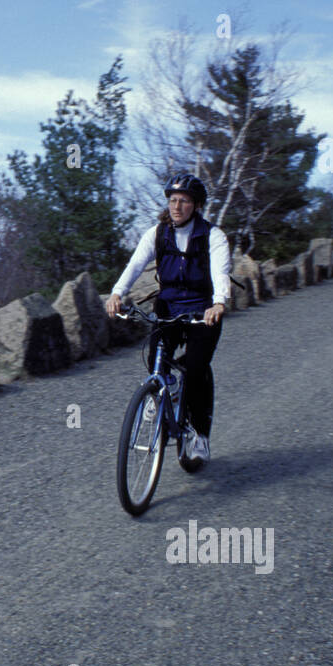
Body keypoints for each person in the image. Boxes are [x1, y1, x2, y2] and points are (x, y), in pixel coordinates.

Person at [105, 175, 231, 467]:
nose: (177, 206)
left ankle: (199, 436)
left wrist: (219, 302)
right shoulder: (158, 233)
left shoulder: (213, 235)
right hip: (169, 306)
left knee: (197, 368)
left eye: (184, 201)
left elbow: (220, 271)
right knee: (156, 356)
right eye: (173, 200)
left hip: (202, 311)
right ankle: (163, 389)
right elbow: (135, 264)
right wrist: (116, 293)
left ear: (196, 205)